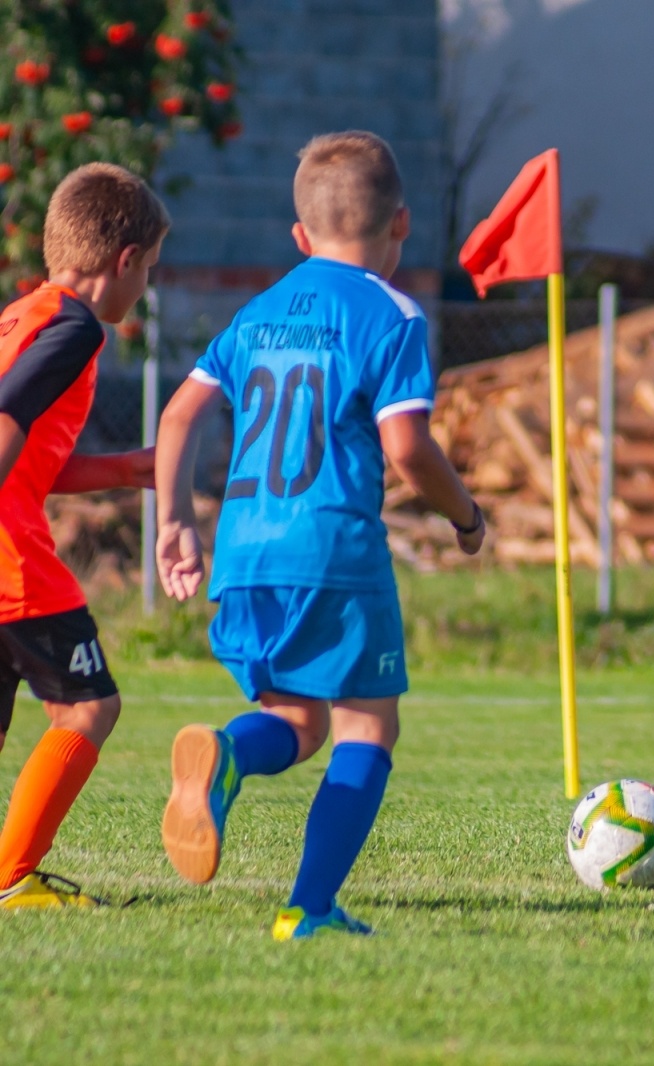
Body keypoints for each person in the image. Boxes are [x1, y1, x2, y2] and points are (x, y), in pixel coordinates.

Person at [155, 131, 485, 939]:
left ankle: (230, 753)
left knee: (298, 722)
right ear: (401, 225)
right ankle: (308, 908)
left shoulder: (257, 313)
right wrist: (465, 514)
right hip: (333, 547)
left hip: (243, 550)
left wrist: (174, 521)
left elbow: (179, 413)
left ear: (300, 237)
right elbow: (406, 445)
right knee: (367, 725)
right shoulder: (392, 316)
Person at [0, 163, 165, 908]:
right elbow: (5, 421)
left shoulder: (21, 314)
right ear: (124, 260)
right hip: (14, 562)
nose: (147, 288)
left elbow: (32, 458)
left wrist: (130, 470)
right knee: (89, 707)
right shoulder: (73, 326)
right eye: (151, 270)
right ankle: (9, 880)